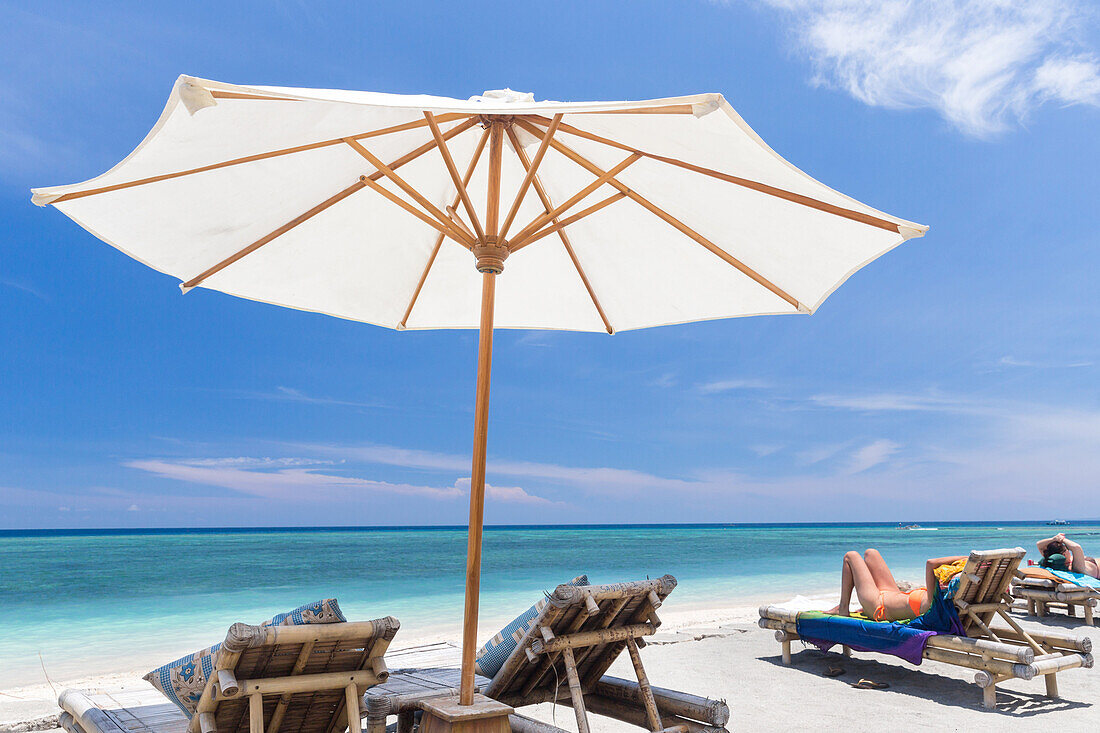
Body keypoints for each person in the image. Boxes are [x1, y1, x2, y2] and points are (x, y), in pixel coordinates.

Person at [829, 549, 968, 622]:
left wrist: (968, 557)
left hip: (878, 605)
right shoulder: (940, 597)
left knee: (850, 556)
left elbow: (931, 563)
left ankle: (843, 608)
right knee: (871, 553)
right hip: (890, 593)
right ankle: (848, 606)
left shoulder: (932, 602)